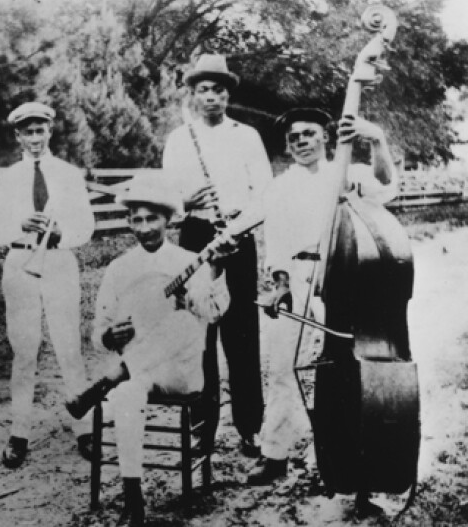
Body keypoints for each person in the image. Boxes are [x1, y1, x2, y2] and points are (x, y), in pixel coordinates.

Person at [249, 108, 399, 511]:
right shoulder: (278, 188)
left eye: (309, 134)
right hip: (296, 281)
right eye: (293, 136)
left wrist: (377, 139)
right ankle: (275, 454)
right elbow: (275, 242)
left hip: (343, 280)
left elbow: (388, 187)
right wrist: (279, 282)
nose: (301, 141)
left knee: (340, 374)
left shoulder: (348, 173)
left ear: (326, 138)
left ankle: (334, 462)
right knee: (282, 367)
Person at [64, 172, 233, 527]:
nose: (144, 227)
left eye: (151, 218)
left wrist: (215, 267)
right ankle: (133, 502)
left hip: (181, 374)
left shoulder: (192, 259)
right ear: (129, 223)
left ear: (167, 220)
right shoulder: (120, 268)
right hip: (142, 370)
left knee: (182, 321)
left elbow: (215, 312)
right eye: (136, 219)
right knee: (126, 394)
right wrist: (110, 337)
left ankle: (106, 382)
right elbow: (99, 333)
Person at [161, 54, 271, 456]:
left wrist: (238, 225)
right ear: (192, 95)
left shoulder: (247, 135)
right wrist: (185, 202)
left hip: (237, 240)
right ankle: (202, 427)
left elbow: (264, 196)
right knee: (197, 336)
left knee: (241, 335)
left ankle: (249, 427)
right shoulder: (179, 138)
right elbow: (166, 200)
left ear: (228, 95)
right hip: (195, 236)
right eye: (203, 90)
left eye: (219, 90)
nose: (211, 97)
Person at [0, 102, 96, 468]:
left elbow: (86, 227)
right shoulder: (9, 178)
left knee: (68, 346)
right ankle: (19, 434)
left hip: (59, 261)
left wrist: (61, 232)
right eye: (27, 132)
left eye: (40, 130)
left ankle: (83, 429)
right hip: (21, 262)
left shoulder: (67, 174)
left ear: (50, 131)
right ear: (18, 135)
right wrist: (20, 226)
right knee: (24, 350)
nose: (35, 138)